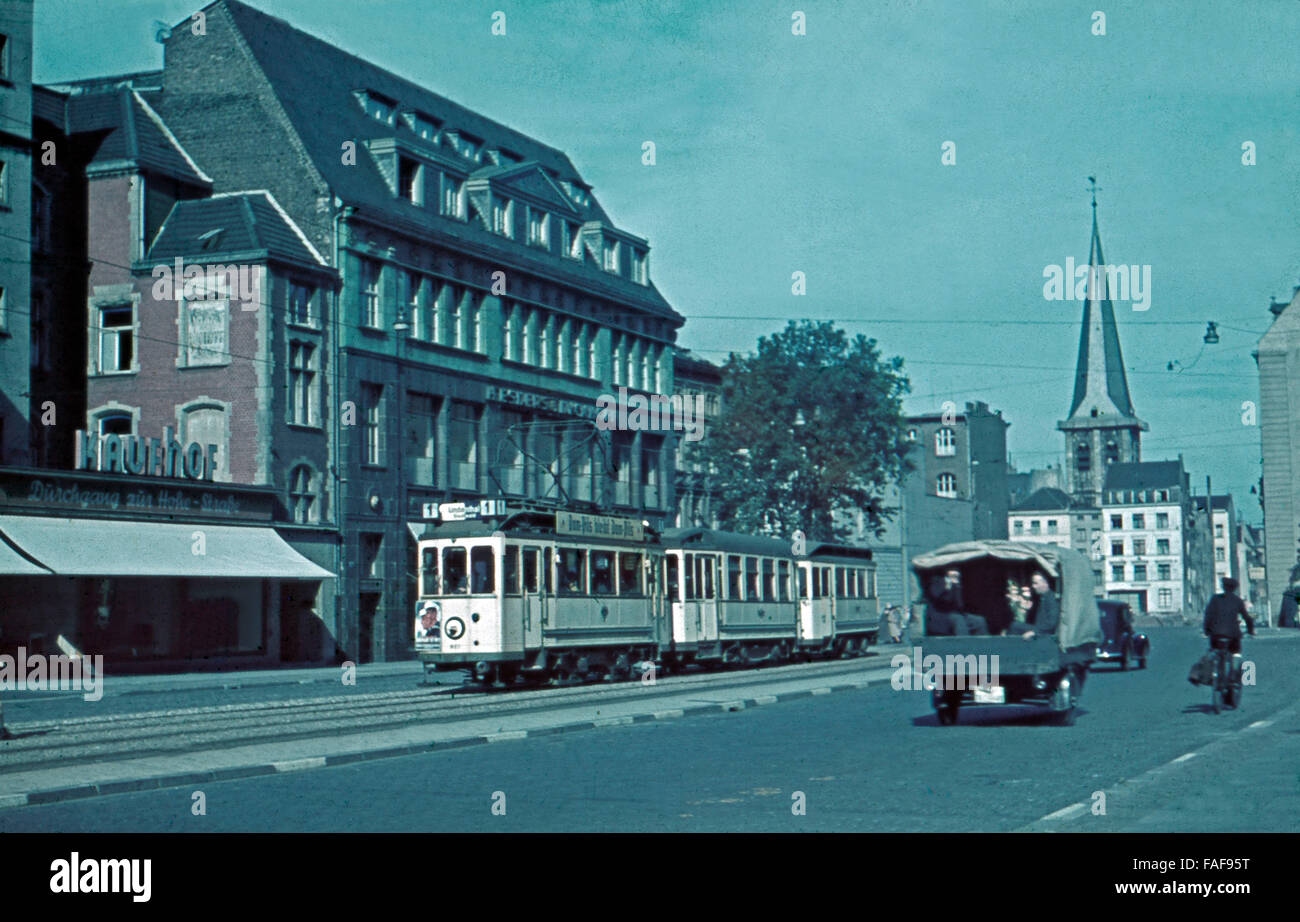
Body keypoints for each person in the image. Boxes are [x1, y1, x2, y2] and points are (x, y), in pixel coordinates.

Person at [925, 569, 989, 635]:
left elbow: (960, 605)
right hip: (939, 615)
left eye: (957, 575)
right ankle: (963, 643)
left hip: (954, 614)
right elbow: (938, 597)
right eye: (953, 575)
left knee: (979, 620)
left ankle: (985, 643)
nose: (955, 576)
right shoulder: (936, 580)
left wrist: (957, 588)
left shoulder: (956, 585)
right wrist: (948, 586)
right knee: (958, 619)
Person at [1204, 576, 1254, 654]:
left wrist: (1206, 630)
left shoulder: (1215, 599)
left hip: (1216, 634)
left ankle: (1214, 663)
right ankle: (1236, 663)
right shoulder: (1238, 601)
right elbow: (1247, 618)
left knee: (1214, 652)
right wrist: (1250, 631)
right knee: (1236, 653)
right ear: (1235, 588)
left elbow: (1208, 616)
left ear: (1223, 587)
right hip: (1233, 635)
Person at [1008, 570, 1059, 639]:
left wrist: (1035, 632)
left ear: (1045, 583)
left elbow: (1052, 623)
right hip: (1041, 630)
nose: (1033, 586)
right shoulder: (1042, 598)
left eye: (1036, 583)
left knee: (1015, 626)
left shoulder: (1052, 598)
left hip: (1046, 634)